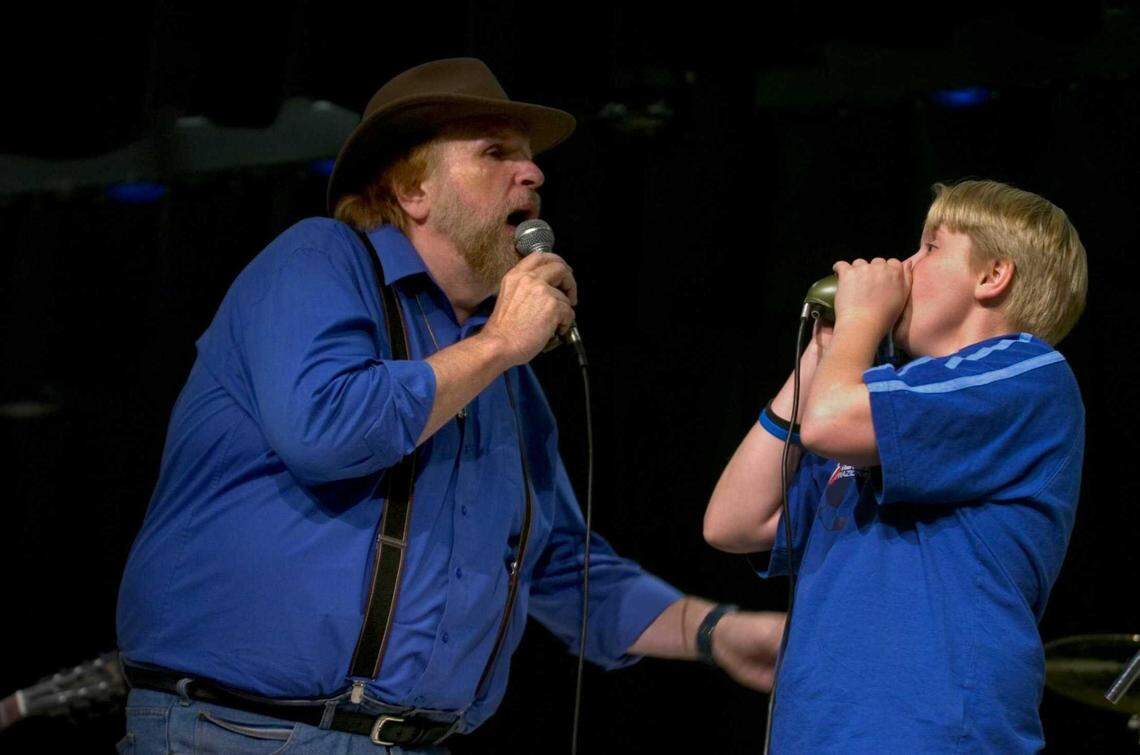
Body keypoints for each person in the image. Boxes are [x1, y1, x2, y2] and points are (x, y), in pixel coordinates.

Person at [115, 57, 785, 753]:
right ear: (412, 190)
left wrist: (713, 629)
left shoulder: (503, 372)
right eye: (497, 153)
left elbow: (554, 562)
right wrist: (499, 342)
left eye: (530, 160)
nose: (534, 174)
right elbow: (325, 427)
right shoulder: (319, 260)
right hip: (243, 732)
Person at [704, 179, 1087, 753]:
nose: (904, 266)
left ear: (992, 276)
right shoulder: (875, 400)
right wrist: (819, 359)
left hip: (933, 736)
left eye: (930, 248)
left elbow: (829, 423)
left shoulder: (1026, 373)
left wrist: (860, 321)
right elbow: (732, 523)